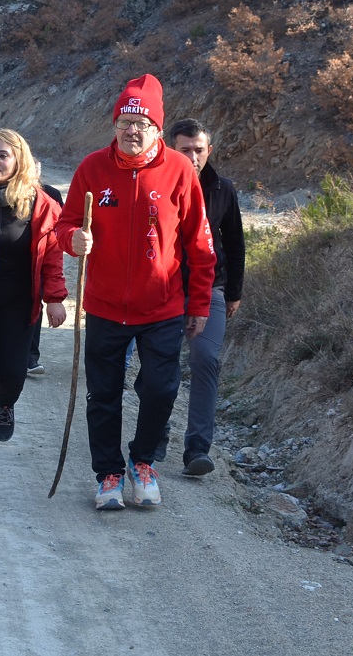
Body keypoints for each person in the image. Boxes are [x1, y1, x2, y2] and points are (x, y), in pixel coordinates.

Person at [57, 74, 216, 511]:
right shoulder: (93, 168)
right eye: (125, 120)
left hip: (162, 305)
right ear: (113, 125)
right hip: (106, 306)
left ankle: (142, 462)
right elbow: (64, 225)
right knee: (103, 394)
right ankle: (108, 474)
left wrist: (198, 303)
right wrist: (74, 239)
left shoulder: (180, 171)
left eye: (142, 122)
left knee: (161, 390)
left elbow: (200, 245)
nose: (132, 129)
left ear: (157, 130)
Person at [143, 118, 245, 476]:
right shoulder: (155, 183)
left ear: (209, 151)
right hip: (164, 290)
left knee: (205, 360)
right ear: (170, 148)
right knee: (160, 365)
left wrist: (233, 293)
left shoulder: (222, 190)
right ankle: (155, 433)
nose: (192, 156)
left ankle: (197, 448)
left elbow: (234, 242)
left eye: (198, 149)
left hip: (210, 288)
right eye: (184, 149)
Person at [0, 130, 67, 459]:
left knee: (14, 370)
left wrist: (55, 297)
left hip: (20, 297)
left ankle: (4, 403)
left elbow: (52, 254)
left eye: (3, 155)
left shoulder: (41, 202)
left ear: (18, 160)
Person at [27, 164, 65, 378]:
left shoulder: (50, 194)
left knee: (35, 309)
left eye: (36, 168)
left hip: (39, 263)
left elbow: (60, 228)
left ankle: (31, 358)